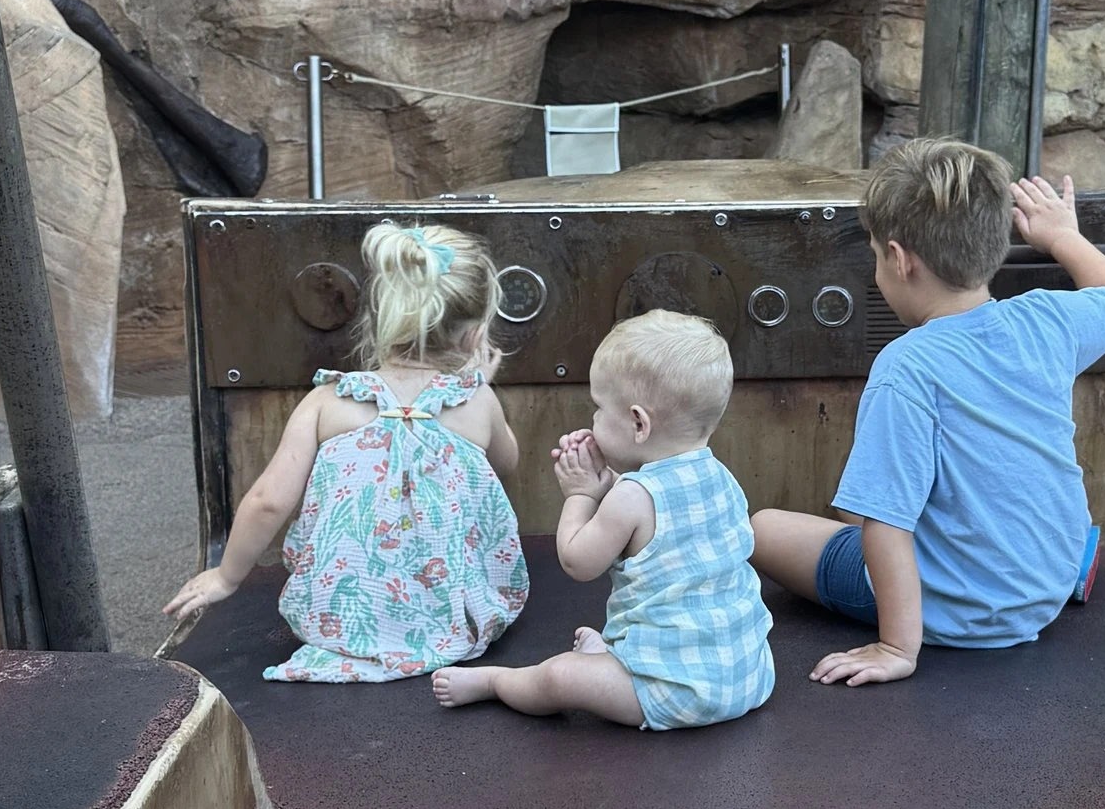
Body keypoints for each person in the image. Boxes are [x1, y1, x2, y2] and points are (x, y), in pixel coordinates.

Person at [749, 140, 1105, 687]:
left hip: (954, 611)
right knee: (877, 508)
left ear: (900, 259)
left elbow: (883, 521)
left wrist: (895, 648)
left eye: (875, 256)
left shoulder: (906, 366)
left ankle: (904, 627)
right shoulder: (1048, 320)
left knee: (767, 529)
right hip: (1042, 590)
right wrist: (1061, 236)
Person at [163, 218, 527, 681]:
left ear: (377, 316)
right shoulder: (476, 401)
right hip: (450, 616)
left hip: (335, 619)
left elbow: (269, 500)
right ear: (475, 336)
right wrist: (477, 386)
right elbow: (507, 464)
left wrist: (226, 577)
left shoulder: (328, 401)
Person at [433, 308, 774, 730]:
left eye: (598, 408)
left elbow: (578, 561)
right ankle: (612, 656)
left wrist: (580, 494)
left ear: (638, 423)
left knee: (560, 676)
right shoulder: (718, 476)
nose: (593, 419)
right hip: (745, 674)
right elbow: (654, 518)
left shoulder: (631, 497)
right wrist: (605, 479)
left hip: (675, 691)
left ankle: (498, 682)